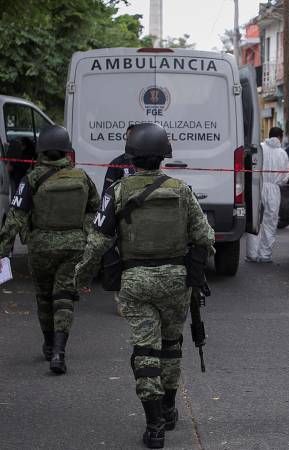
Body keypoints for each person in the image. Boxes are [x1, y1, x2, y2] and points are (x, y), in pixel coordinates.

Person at [74, 123, 215, 449]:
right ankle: (168, 407)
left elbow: (97, 242)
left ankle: (154, 426)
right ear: (164, 156)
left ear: (131, 156)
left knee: (145, 350)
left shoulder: (117, 191)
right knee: (171, 345)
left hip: (136, 283)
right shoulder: (182, 190)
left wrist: (80, 278)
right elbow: (205, 238)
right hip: (177, 283)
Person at [0, 125, 100, 374]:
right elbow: (95, 208)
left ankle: (47, 344)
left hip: (41, 247)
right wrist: (85, 232)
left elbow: (16, 216)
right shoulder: (81, 177)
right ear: (67, 150)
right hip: (74, 246)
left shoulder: (32, 178)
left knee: (44, 298)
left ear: (40, 150)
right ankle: (59, 350)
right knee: (64, 297)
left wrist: (3, 248)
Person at [103, 123, 137, 316]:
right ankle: (121, 302)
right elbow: (106, 195)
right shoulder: (117, 163)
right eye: (128, 136)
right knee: (120, 262)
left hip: (143, 223)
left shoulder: (147, 162)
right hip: (121, 222)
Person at [246, 127, 289, 263]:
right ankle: (265, 254)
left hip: (257, 186)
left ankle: (252, 254)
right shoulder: (282, 153)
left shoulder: (259, 148)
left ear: (269, 135)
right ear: (280, 137)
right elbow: (285, 176)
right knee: (270, 222)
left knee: (254, 220)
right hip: (273, 189)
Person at [102, 124, 137, 196]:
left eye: (133, 138)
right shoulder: (116, 163)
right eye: (128, 139)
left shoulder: (149, 162)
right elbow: (107, 193)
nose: (129, 142)